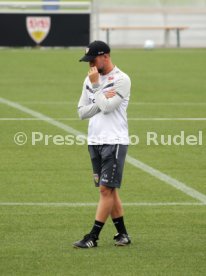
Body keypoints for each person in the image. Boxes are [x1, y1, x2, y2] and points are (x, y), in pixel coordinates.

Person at [73, 40, 131, 249]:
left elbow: (108, 108)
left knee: (105, 189)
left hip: (114, 141)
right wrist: (101, 98)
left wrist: (97, 89)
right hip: (94, 140)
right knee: (110, 190)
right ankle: (123, 234)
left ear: (105, 56)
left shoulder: (121, 80)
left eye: (93, 59)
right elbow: (81, 112)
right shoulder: (89, 78)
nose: (90, 64)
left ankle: (93, 236)